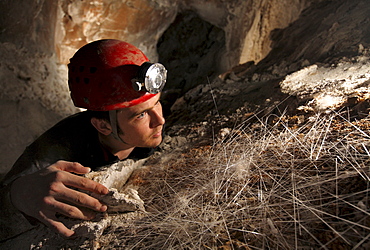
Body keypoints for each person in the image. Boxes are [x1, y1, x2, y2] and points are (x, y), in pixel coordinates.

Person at [0, 39, 167, 240]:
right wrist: (18, 195)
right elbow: (10, 200)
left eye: (157, 103)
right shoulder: (56, 151)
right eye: (141, 115)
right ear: (103, 126)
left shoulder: (158, 121)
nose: (160, 120)